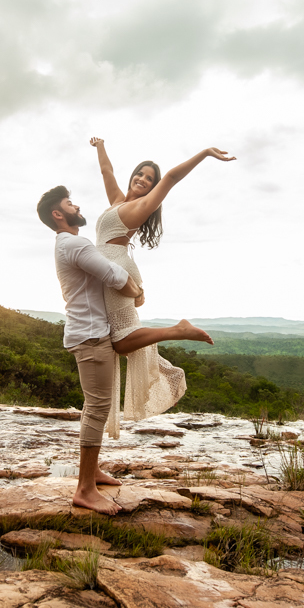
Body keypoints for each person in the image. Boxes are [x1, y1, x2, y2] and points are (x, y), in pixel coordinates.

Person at [37, 185, 213, 515]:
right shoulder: (73, 243)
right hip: (90, 338)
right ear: (58, 214)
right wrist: (135, 290)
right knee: (98, 406)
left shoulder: (67, 244)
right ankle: (85, 489)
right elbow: (113, 274)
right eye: (69, 204)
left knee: (98, 406)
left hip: (90, 333)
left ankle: (92, 473)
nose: (77, 206)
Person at [89, 138, 235, 436]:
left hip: (116, 270)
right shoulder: (119, 201)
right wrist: (100, 146)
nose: (143, 179)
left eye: (149, 178)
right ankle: (172, 340)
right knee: (116, 341)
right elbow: (107, 172)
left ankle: (178, 331)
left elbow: (171, 177)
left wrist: (205, 153)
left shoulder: (140, 207)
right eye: (140, 174)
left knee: (120, 341)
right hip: (110, 270)